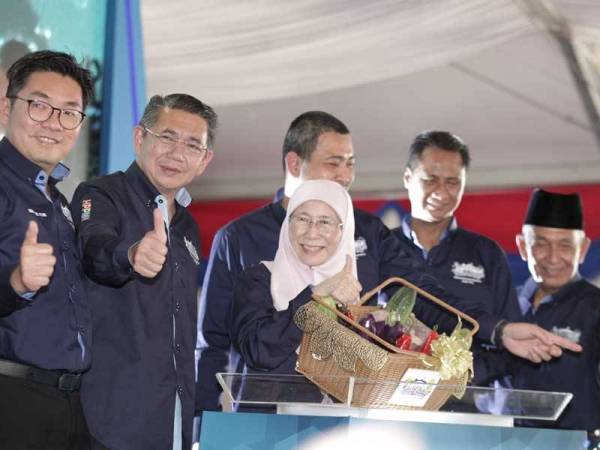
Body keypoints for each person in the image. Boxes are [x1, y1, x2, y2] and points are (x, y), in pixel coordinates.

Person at [195, 112, 578, 421]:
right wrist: (203, 421)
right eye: (334, 163)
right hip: (265, 418)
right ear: (295, 162)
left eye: (351, 163)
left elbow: (425, 293)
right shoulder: (242, 242)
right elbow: (212, 341)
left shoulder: (367, 230)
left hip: (352, 417)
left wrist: (499, 328)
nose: (345, 175)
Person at [71, 94, 217, 450]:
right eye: (167, 137)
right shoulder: (100, 195)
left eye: (192, 145)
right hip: (110, 421)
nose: (176, 153)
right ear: (140, 137)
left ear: (204, 160)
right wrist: (131, 254)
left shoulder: (189, 227)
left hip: (173, 418)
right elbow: (95, 249)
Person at [0, 50, 93, 449]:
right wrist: (16, 282)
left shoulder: (58, 199)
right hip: (13, 402)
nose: (54, 124)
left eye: (69, 112)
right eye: (39, 106)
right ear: (6, 107)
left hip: (69, 404)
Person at [393, 130, 520, 383]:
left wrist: (463, 375)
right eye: (430, 179)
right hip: (385, 400)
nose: (441, 191)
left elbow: (510, 339)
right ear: (408, 178)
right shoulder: (382, 247)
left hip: (468, 405)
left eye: (452, 182)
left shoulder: (486, 253)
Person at [230, 179, 361, 402]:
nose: (312, 232)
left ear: (344, 231)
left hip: (333, 431)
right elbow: (258, 350)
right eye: (302, 219)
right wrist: (315, 296)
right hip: (265, 427)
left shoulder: (350, 292)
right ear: (287, 223)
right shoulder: (258, 280)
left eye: (325, 222)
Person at [511, 189, 599, 434]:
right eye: (541, 243)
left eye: (565, 245)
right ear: (522, 246)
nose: (553, 257)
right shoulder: (501, 306)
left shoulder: (595, 309)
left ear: (582, 249)